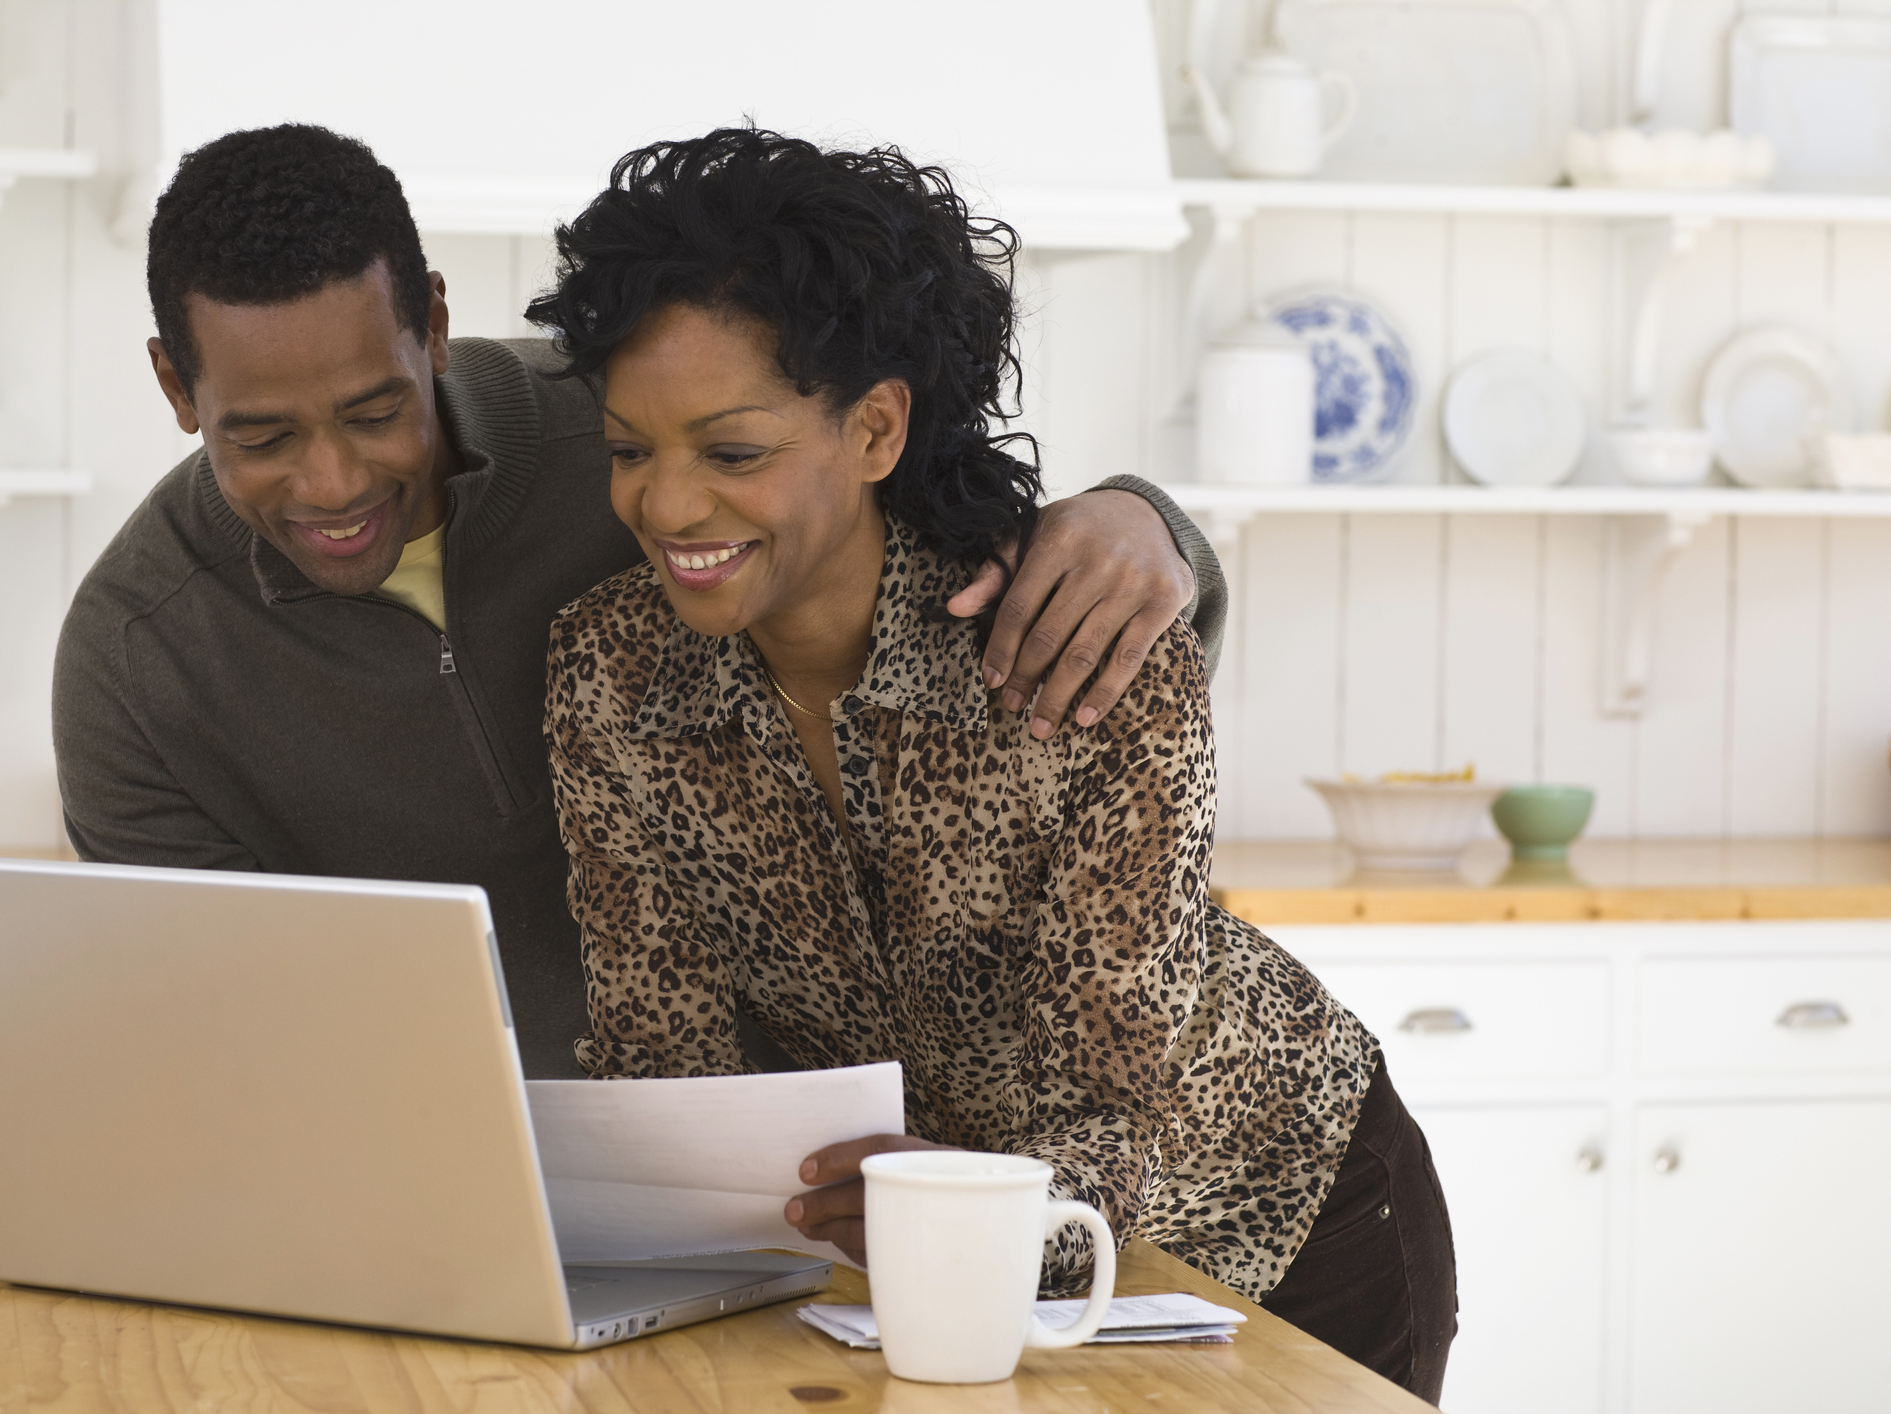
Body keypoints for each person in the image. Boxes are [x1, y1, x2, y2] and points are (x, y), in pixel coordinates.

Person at [535, 129, 1457, 1402]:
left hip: (1281, 1218)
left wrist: (921, 1211)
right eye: (631, 449)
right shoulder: (609, 671)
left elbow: (1103, 1109)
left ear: (874, 428)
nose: (669, 506)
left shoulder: (1077, 652)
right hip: (947, 1261)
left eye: (730, 452)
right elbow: (662, 1067)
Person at [51, 124, 1226, 1081]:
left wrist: (1144, 517)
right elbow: (224, 1040)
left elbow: (963, 518)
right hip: (541, 1184)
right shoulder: (134, 663)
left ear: (436, 328)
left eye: (373, 413)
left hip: (888, 1172)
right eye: (261, 438)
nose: (335, 481)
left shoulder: (652, 409)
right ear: (174, 383)